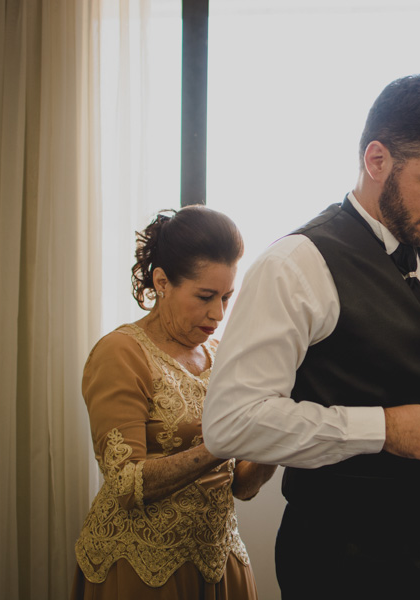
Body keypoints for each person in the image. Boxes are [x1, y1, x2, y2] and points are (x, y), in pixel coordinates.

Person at [203, 74, 420, 600]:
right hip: (336, 561)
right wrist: (383, 430)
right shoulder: (294, 267)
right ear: (376, 160)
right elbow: (231, 424)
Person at [72, 206, 277, 600]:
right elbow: (126, 484)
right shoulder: (121, 353)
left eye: (227, 297)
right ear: (162, 282)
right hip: (142, 567)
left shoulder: (222, 357)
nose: (218, 314)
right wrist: (219, 445)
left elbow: (241, 488)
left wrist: (275, 438)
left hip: (220, 560)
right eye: (205, 296)